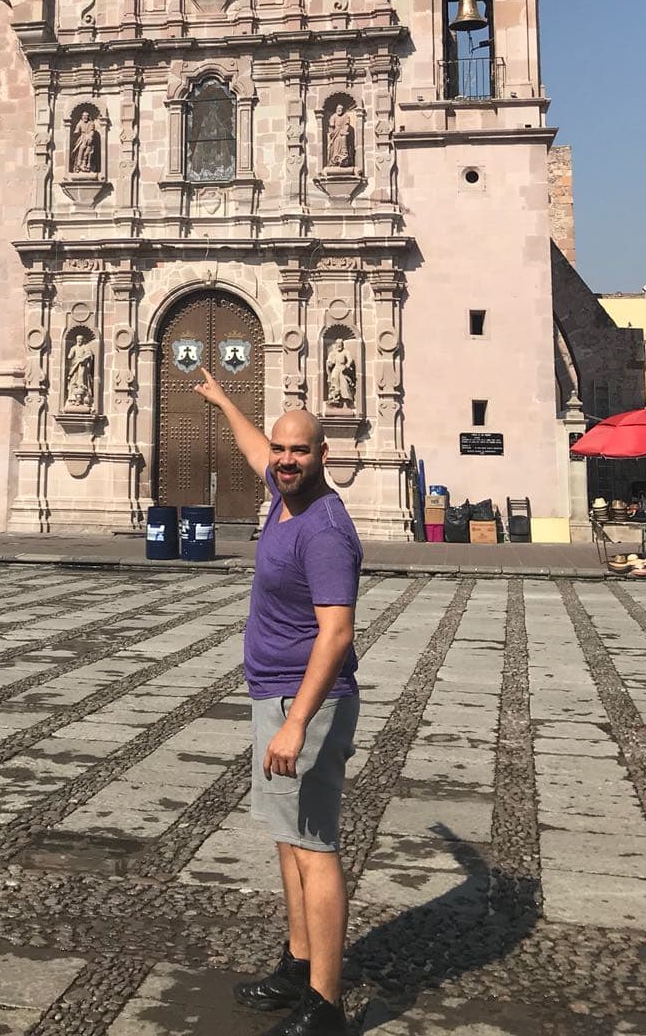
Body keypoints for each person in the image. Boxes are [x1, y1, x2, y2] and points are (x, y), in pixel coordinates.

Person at [194, 366, 362, 1036]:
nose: (286, 459)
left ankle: (326, 1006)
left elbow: (338, 631)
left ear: (325, 456)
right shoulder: (285, 491)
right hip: (275, 693)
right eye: (283, 449)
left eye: (301, 450)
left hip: (306, 704)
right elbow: (257, 452)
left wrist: (295, 723)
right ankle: (298, 963)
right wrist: (222, 400)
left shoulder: (324, 528)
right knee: (288, 838)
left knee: (314, 844)